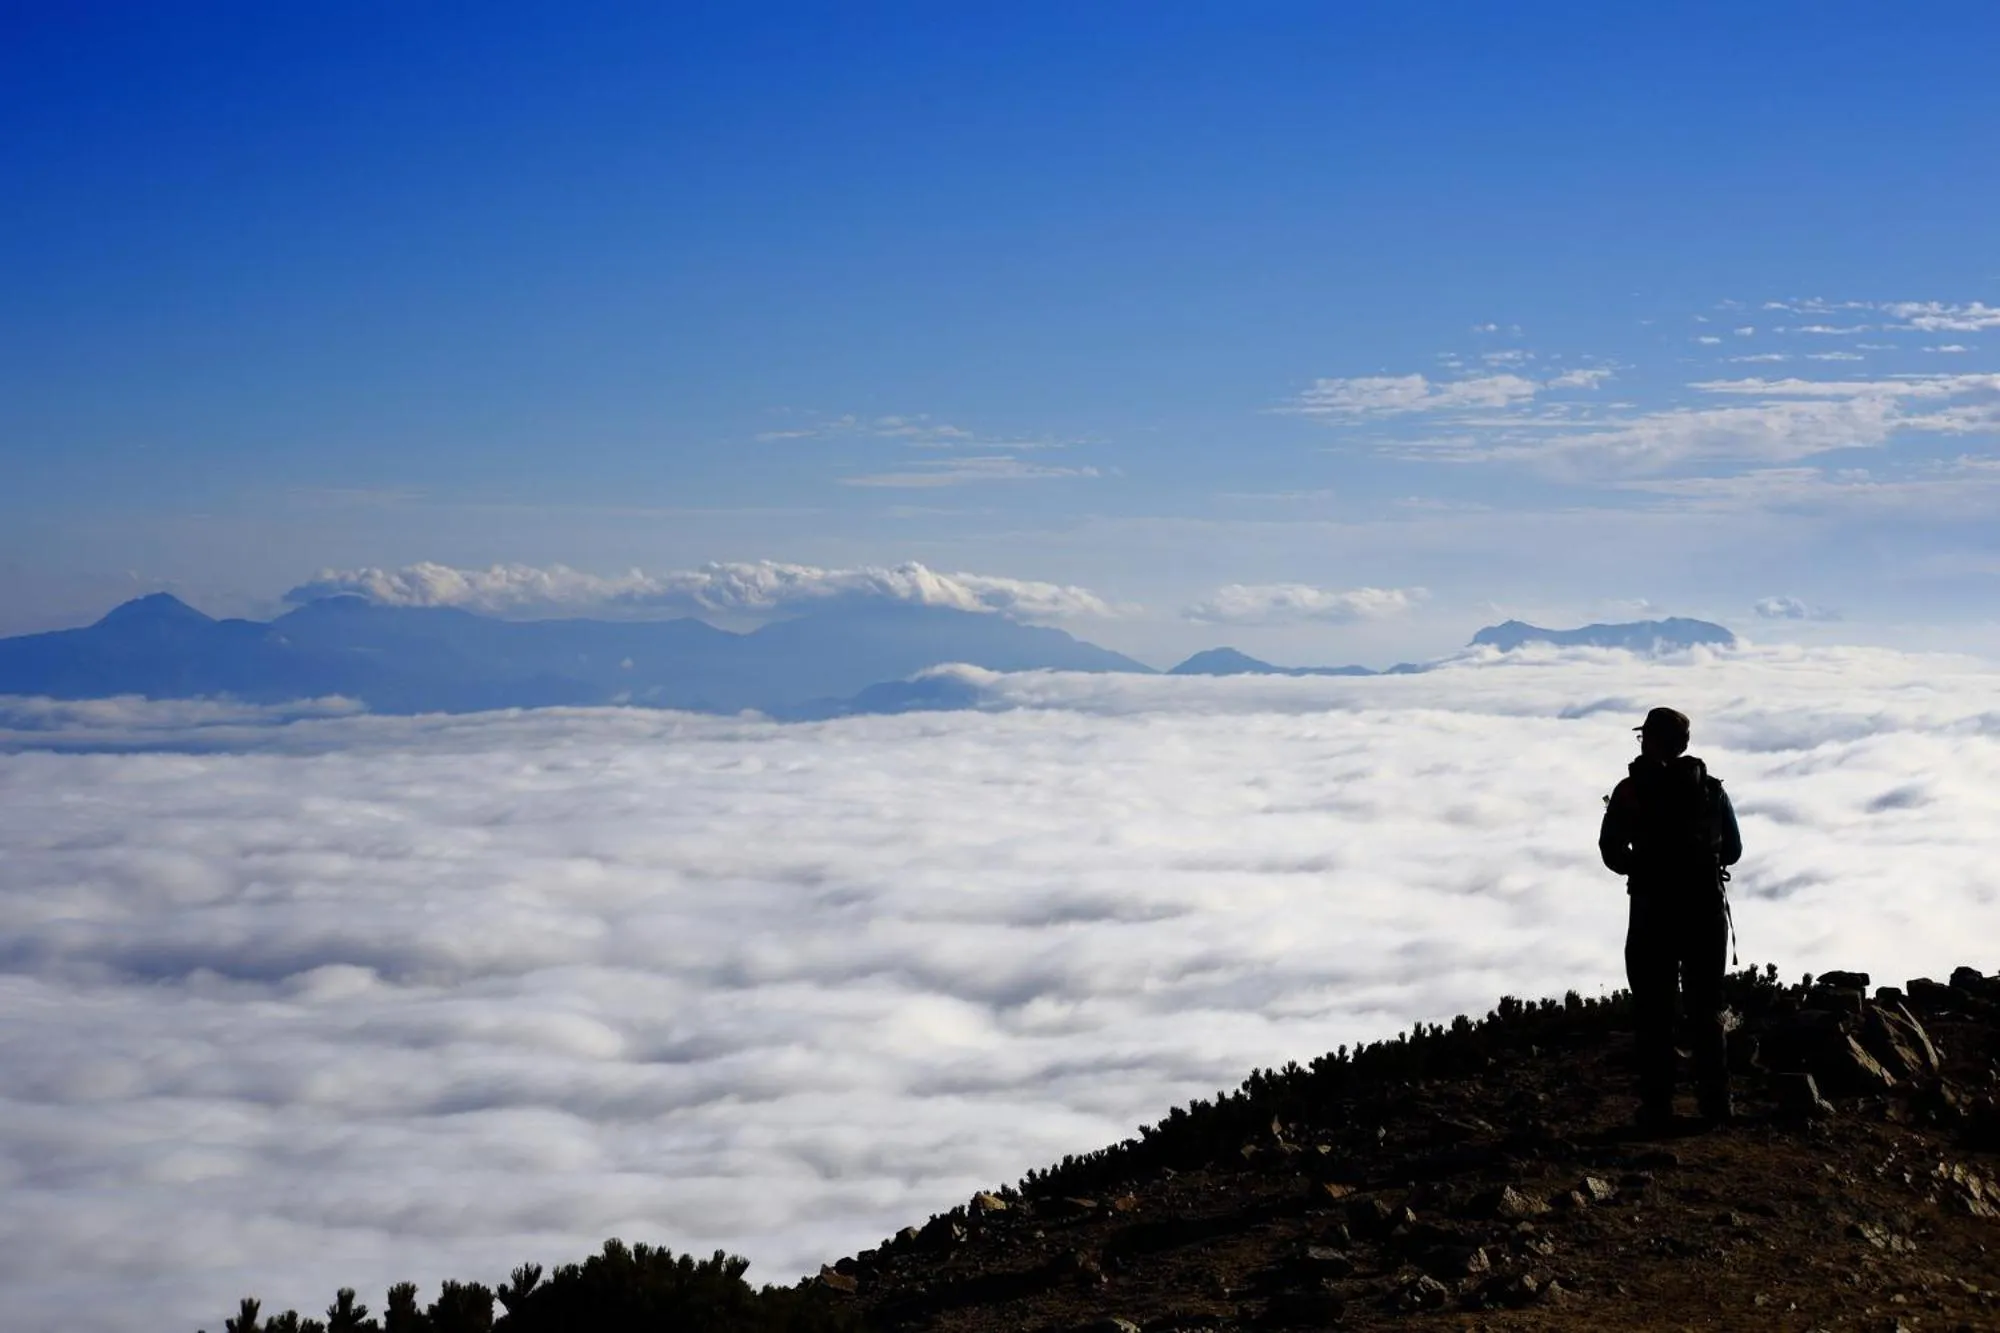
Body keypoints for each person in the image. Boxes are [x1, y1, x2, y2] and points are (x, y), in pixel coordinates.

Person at [1598, 706, 1742, 1129]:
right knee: (1707, 1007)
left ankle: (1658, 1107)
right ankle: (1717, 1105)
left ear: (1649, 740)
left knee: (1654, 1011)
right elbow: (1731, 850)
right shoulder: (1712, 789)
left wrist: (1640, 868)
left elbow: (1610, 851)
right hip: (1705, 912)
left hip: (1651, 913)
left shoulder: (1630, 790)